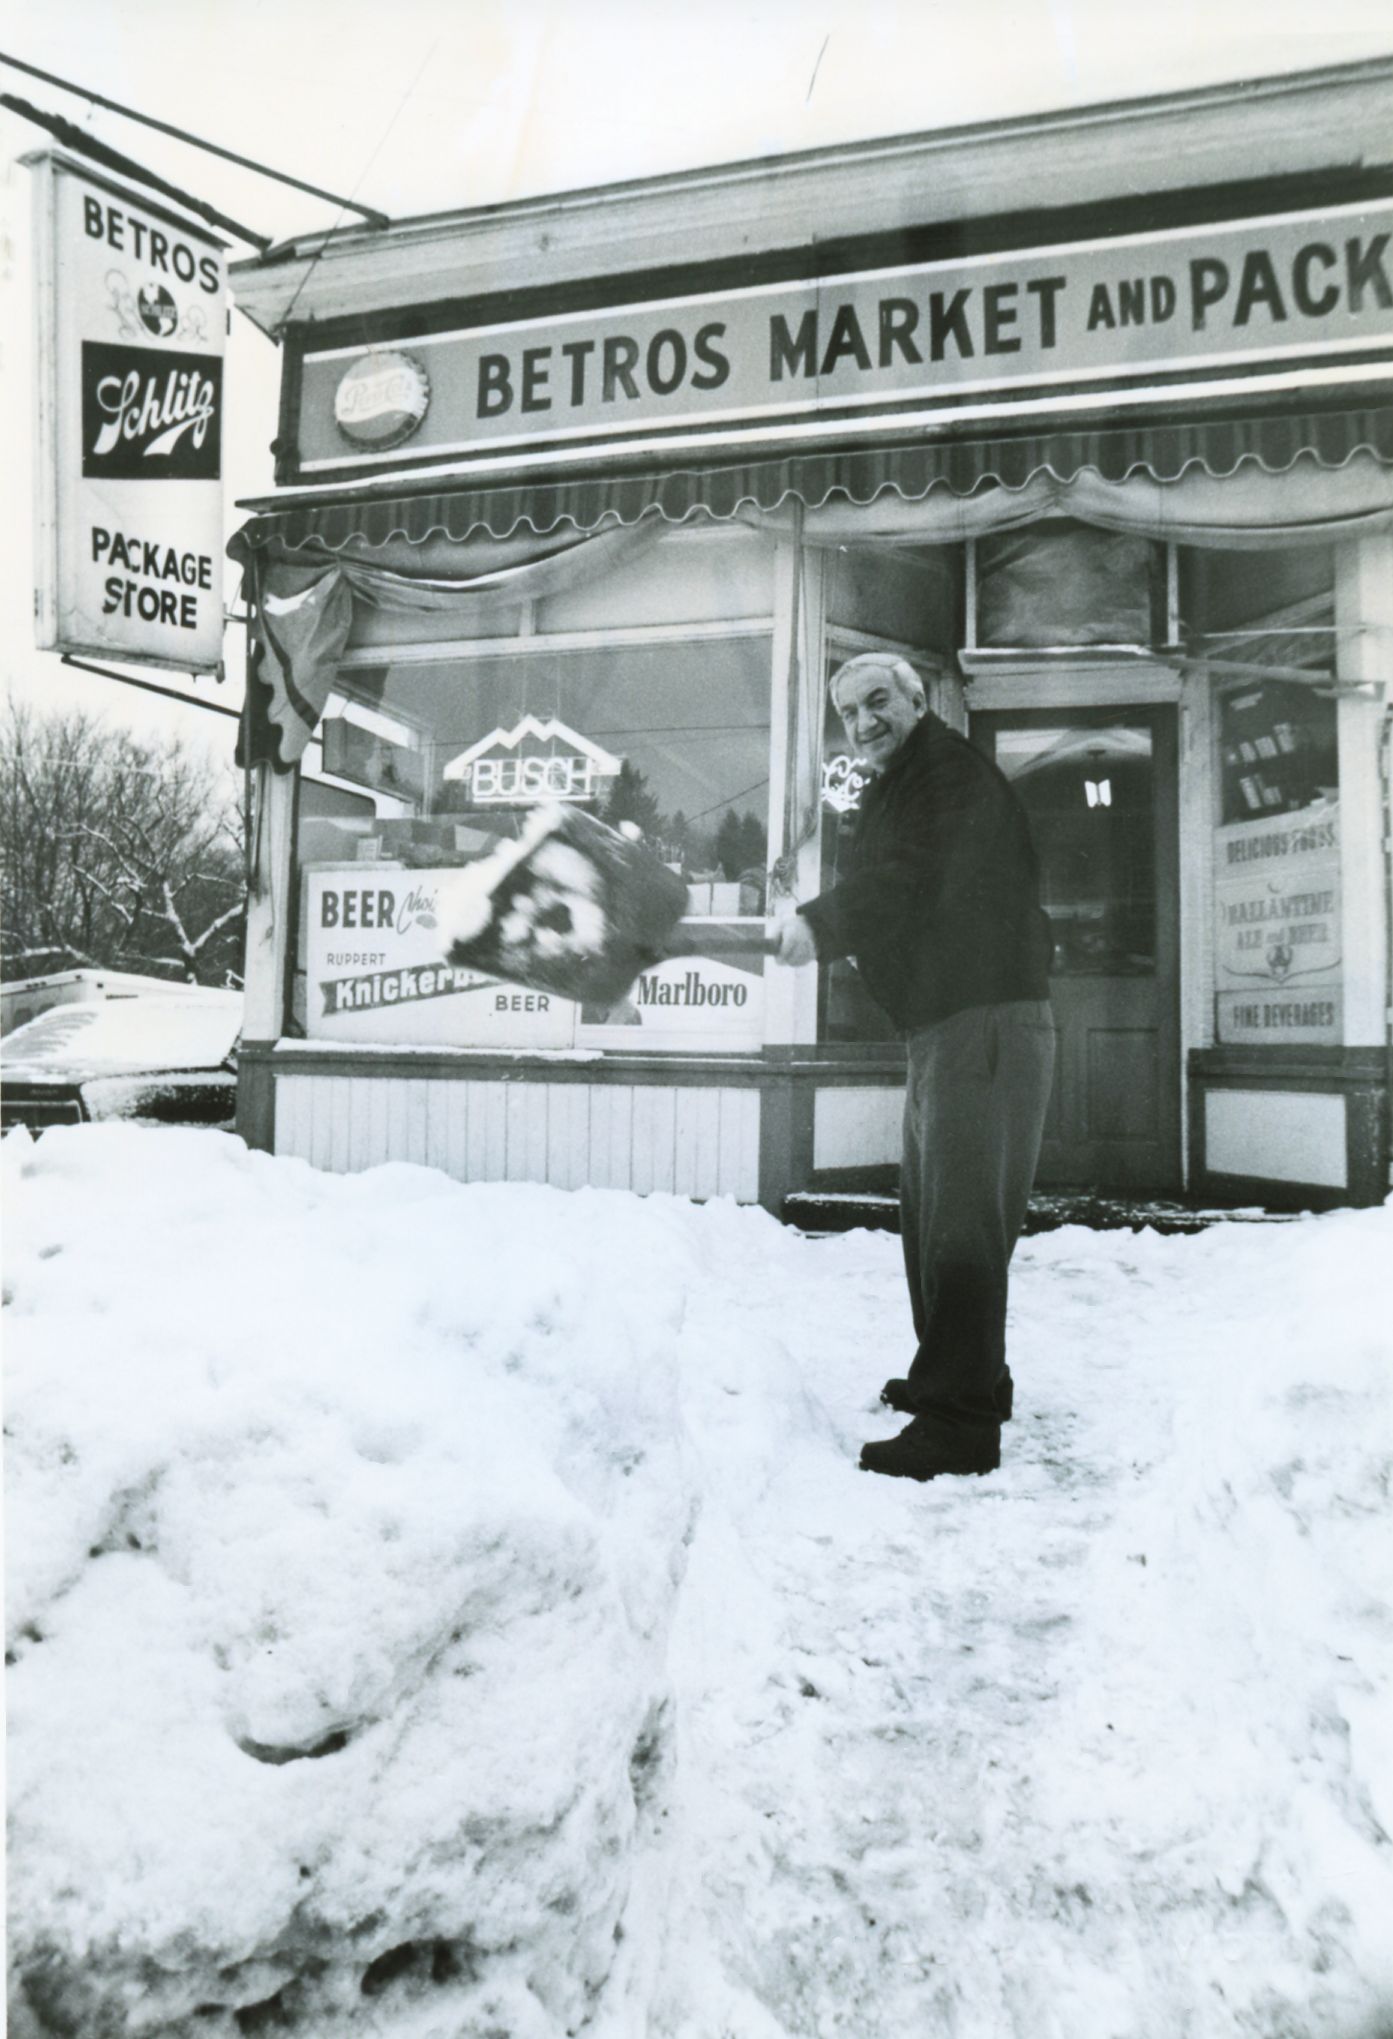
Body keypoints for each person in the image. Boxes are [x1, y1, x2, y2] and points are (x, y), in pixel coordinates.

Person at [774, 653, 1055, 1482]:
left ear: (916, 699)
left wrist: (823, 924)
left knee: (964, 1224)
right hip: (945, 1027)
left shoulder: (946, 773)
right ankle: (959, 1377)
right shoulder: (903, 778)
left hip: (986, 1021)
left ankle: (959, 1424)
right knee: (933, 1218)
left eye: (876, 702)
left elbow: (912, 874)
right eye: (848, 713)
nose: (862, 723)